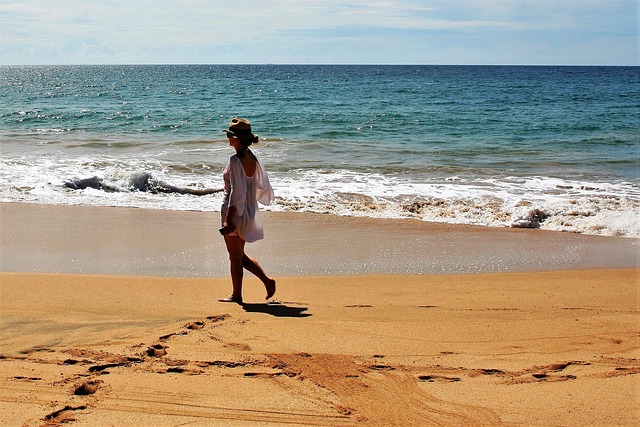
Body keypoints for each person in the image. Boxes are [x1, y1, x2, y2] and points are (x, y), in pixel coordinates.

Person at [218, 118, 276, 304]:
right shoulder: (252, 157)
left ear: (237, 138)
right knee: (239, 256)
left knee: (235, 257)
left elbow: (236, 192)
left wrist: (229, 219)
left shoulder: (235, 160)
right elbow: (259, 186)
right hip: (248, 210)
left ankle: (237, 295)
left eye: (230, 135)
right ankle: (267, 281)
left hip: (236, 211)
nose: (228, 137)